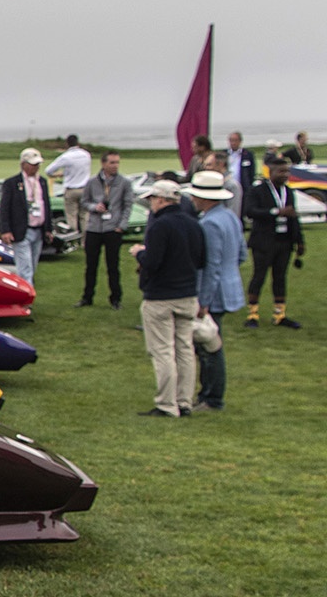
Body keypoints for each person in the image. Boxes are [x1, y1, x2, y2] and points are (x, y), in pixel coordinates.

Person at [130, 179, 206, 418]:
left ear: (161, 200)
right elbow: (201, 260)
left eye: (153, 199)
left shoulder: (160, 226)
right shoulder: (193, 224)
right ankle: (184, 401)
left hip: (161, 296)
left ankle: (166, 403)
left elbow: (152, 262)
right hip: (187, 294)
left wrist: (139, 253)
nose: (151, 204)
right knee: (185, 349)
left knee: (162, 351)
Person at [187, 170, 243, 412]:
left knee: (209, 346)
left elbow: (211, 265)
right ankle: (209, 395)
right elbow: (241, 254)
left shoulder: (209, 223)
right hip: (229, 285)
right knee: (212, 344)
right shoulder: (230, 217)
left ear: (204, 198)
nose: (192, 200)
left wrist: (204, 300)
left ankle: (211, 398)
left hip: (214, 291)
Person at [242, 151, 306, 328]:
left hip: (284, 241)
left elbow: (293, 217)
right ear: (271, 172)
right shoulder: (257, 191)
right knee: (259, 276)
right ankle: (252, 314)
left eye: (287, 171)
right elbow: (250, 211)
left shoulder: (288, 192)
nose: (285, 175)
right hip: (263, 242)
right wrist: (276, 212)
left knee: (280, 277)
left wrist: (299, 241)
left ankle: (279, 315)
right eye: (281, 171)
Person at [79, 152, 133, 307]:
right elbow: (84, 202)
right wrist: (94, 207)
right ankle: (87, 297)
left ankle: (115, 298)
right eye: (112, 163)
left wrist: (121, 225)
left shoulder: (124, 182)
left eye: (117, 162)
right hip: (94, 228)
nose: (115, 166)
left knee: (113, 265)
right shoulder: (92, 182)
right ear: (103, 164)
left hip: (113, 228)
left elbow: (128, 205)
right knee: (91, 265)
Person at [1, 148, 51, 282]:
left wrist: (48, 229)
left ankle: (25, 290)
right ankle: (27, 294)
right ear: (23, 164)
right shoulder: (12, 183)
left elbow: (46, 205)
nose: (36, 167)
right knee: (25, 268)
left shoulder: (42, 182)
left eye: (37, 164)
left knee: (32, 266)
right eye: (33, 164)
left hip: (38, 230)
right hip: (22, 230)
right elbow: (4, 208)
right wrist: (6, 230)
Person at [44, 133, 91, 245]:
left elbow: (48, 170)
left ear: (67, 144)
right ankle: (85, 242)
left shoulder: (66, 156)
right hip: (85, 188)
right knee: (85, 216)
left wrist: (59, 174)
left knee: (71, 216)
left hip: (71, 189)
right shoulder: (86, 155)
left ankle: (73, 241)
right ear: (78, 142)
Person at [220, 132, 257, 214]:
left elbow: (251, 172)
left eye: (235, 140)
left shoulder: (247, 155)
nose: (233, 143)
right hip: (226, 186)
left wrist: (249, 186)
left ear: (240, 141)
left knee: (240, 209)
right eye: (231, 140)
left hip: (242, 187)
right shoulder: (223, 154)